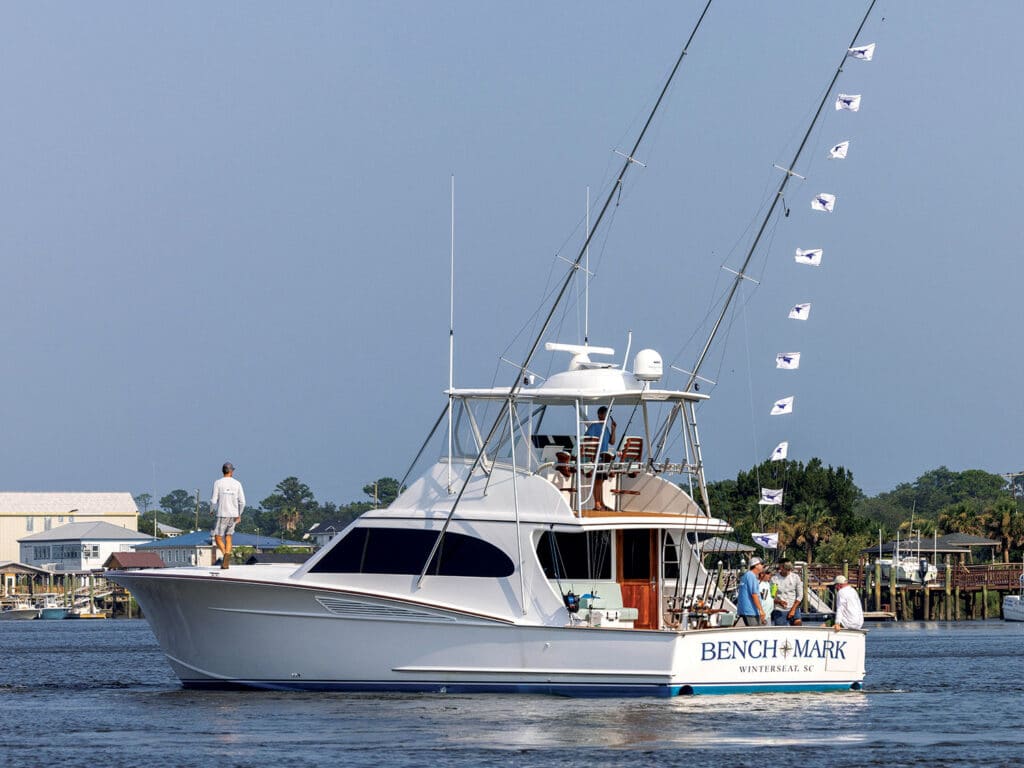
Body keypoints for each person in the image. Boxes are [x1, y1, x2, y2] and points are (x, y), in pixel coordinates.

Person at [211, 461, 245, 570]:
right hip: (234, 514)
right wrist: (239, 514)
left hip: (222, 514)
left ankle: (226, 553)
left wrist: (211, 510)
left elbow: (213, 500)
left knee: (217, 537)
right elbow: (242, 502)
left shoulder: (218, 483)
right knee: (229, 536)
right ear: (231, 471)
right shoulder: (237, 483)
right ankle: (227, 557)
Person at [583, 406, 616, 511]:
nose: (607, 417)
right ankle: (597, 503)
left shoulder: (606, 428)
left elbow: (612, 442)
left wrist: (613, 429)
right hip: (596, 459)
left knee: (601, 481)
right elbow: (587, 439)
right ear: (600, 415)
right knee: (597, 481)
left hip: (604, 460)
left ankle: (601, 502)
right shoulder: (594, 426)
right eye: (606, 415)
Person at [771, 558, 804, 625]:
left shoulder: (795, 577)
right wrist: (779, 601)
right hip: (779, 609)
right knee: (781, 632)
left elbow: (800, 595)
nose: (788, 571)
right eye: (786, 568)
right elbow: (772, 595)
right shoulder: (774, 579)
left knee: (798, 623)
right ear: (781, 567)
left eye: (789, 569)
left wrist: (793, 609)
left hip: (794, 607)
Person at [735, 557, 767, 626]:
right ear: (756, 565)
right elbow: (754, 595)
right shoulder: (751, 576)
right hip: (750, 612)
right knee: (756, 634)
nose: (763, 566)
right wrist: (761, 610)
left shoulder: (746, 575)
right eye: (761, 564)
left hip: (745, 611)